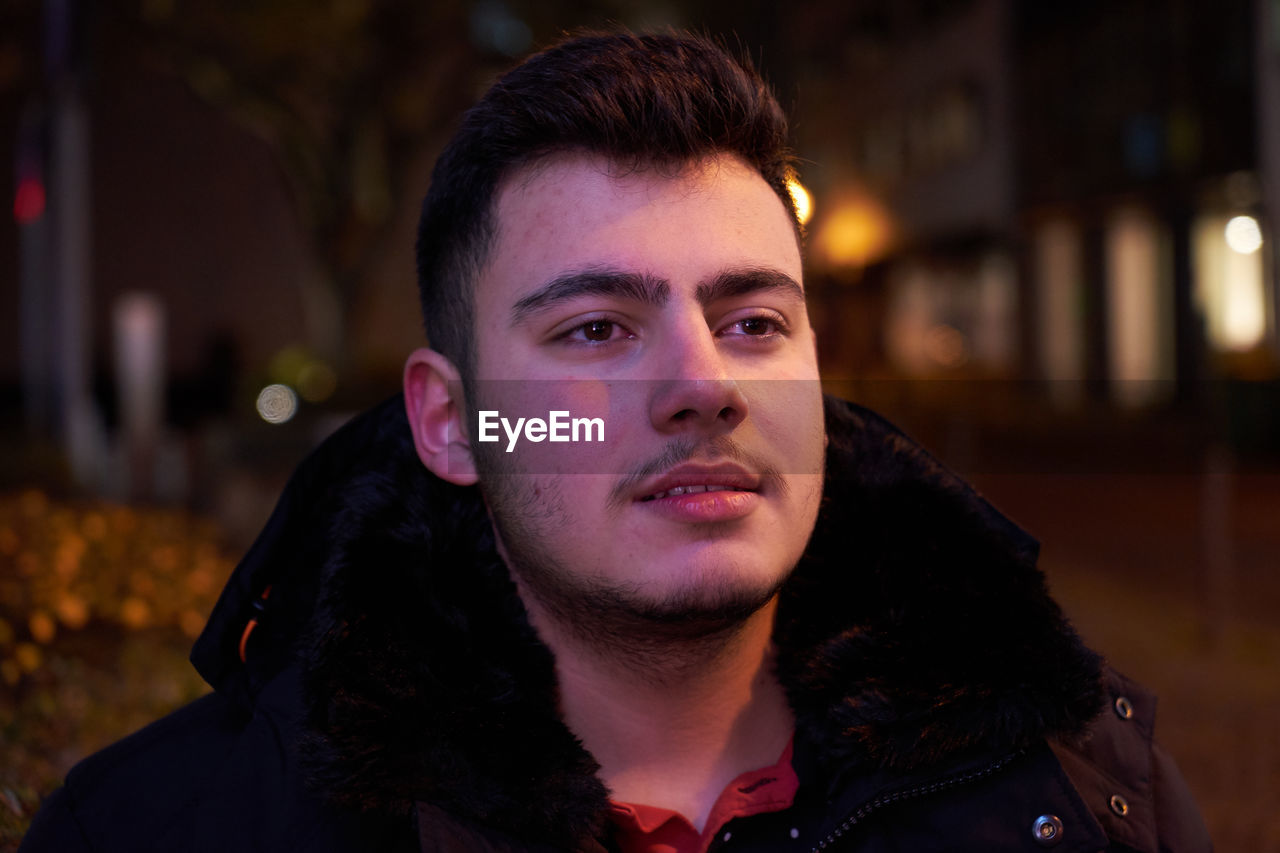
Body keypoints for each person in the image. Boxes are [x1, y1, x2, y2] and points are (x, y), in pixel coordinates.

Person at [21, 30, 1210, 853]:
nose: (701, 385)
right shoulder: (160, 826)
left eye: (751, 321)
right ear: (452, 422)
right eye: (596, 328)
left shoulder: (1083, 784)